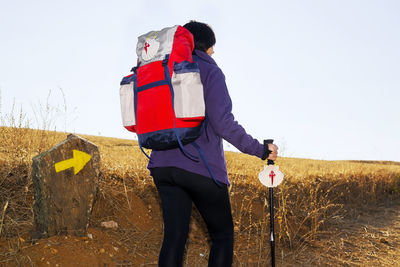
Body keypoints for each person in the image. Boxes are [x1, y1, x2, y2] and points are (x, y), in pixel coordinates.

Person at [148, 21, 278, 267]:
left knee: (174, 237)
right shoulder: (209, 71)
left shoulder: (165, 69)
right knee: (222, 236)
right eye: (212, 49)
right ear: (206, 47)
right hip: (200, 166)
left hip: (162, 165)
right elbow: (223, 123)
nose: (213, 54)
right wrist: (260, 150)